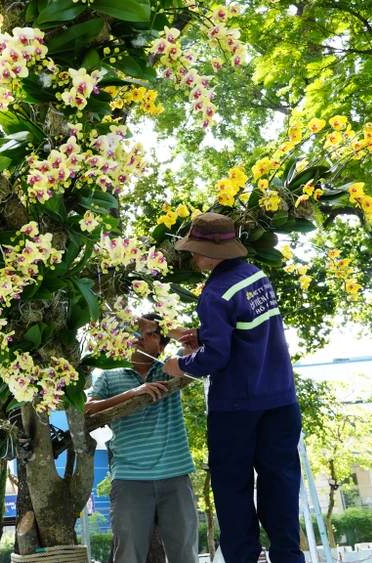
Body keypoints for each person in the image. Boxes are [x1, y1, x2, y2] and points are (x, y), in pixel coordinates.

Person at [163, 212, 304, 563]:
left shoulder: (214, 293)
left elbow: (216, 357)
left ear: (210, 253)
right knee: (281, 484)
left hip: (236, 406)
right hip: (281, 399)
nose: (191, 255)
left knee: (233, 488)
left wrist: (180, 365)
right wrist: (202, 335)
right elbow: (249, 331)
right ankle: (288, 557)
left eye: (194, 249)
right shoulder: (257, 277)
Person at [85, 313, 199, 563]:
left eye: (151, 334)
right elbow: (88, 409)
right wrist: (134, 393)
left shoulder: (172, 367)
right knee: (128, 556)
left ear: (161, 346)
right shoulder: (108, 375)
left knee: (185, 556)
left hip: (176, 476)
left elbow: (202, 347)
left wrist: (168, 327)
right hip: (129, 479)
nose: (140, 337)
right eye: (135, 332)